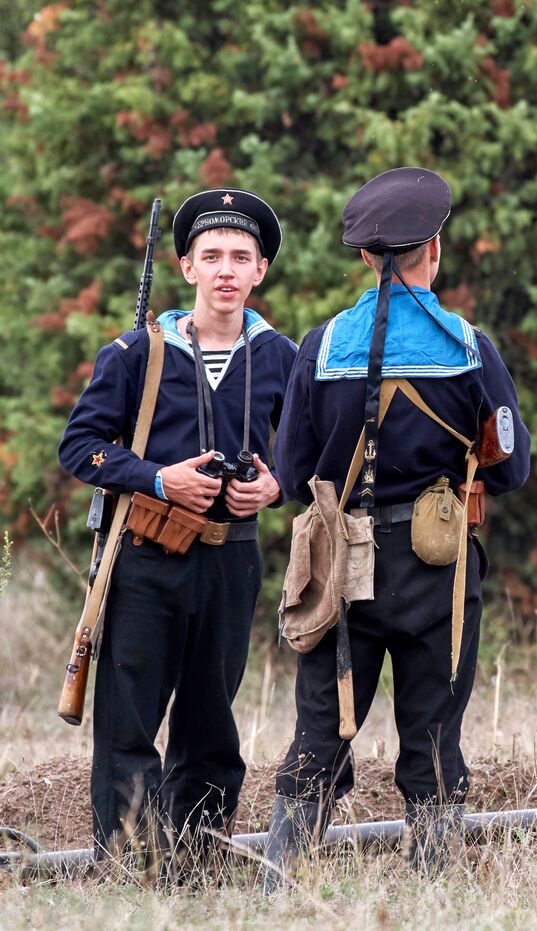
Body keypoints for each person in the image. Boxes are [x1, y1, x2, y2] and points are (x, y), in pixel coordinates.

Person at [263, 167, 530, 886]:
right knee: (434, 736)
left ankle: (277, 888)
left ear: (363, 257)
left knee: (320, 731)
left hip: (341, 566)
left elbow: (289, 474)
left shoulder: (320, 346)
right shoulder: (469, 348)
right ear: (433, 249)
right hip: (436, 566)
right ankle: (437, 887)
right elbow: (511, 470)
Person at [57, 189, 297, 866]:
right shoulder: (138, 351)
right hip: (145, 561)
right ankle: (131, 867)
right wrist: (160, 479)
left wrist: (277, 484)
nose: (226, 269)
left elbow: (311, 454)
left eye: (241, 257)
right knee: (129, 725)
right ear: (187, 267)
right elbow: (80, 445)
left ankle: (194, 866)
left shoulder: (283, 357)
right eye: (212, 255)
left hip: (232, 562)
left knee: (210, 727)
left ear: (259, 273)